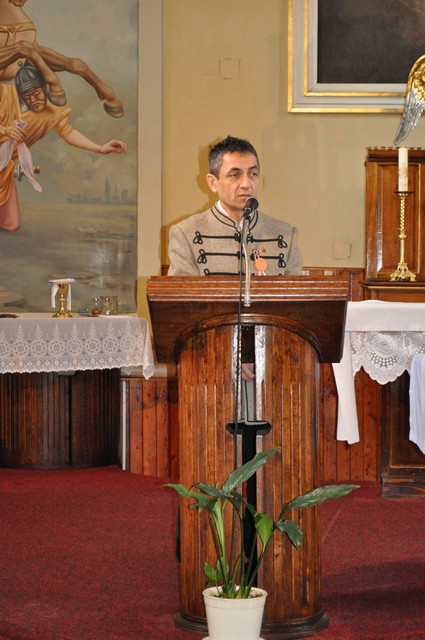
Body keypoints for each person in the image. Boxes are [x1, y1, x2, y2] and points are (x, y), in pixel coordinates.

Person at [0, 62, 127, 231]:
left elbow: (69, 133)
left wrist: (100, 148)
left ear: (44, 88)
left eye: (36, 93)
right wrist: (5, 130)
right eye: (27, 97)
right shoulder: (5, 94)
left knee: (11, 223)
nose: (33, 100)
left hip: (4, 167)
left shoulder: (52, 111)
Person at [168, 135, 302, 276]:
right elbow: (182, 290)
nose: (246, 184)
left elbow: (296, 289)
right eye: (235, 175)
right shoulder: (186, 233)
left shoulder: (285, 234)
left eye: (253, 174)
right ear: (212, 183)